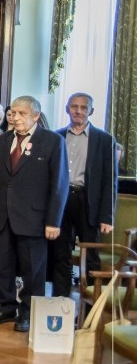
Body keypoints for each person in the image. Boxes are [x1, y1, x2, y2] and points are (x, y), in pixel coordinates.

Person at [0, 96, 68, 332]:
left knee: (33, 269)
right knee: (2, 265)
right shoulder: (4, 140)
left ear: (36, 116)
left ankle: (29, 312)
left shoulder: (52, 141)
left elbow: (59, 184)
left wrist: (53, 220)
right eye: (13, 113)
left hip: (34, 218)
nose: (16, 118)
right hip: (3, 215)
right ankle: (6, 306)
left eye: (22, 113)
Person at [50, 93, 117, 298]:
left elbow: (110, 181)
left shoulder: (105, 140)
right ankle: (60, 302)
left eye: (83, 107)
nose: (78, 111)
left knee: (91, 256)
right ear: (67, 109)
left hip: (88, 202)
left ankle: (89, 308)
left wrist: (107, 216)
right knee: (60, 254)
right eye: (74, 107)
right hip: (61, 201)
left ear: (91, 111)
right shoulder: (56, 137)